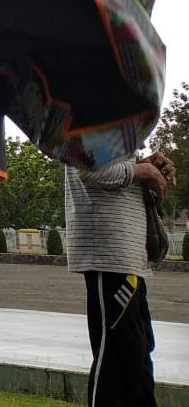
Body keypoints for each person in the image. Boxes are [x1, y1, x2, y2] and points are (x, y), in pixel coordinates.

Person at [66, 151, 176, 406]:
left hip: (128, 258)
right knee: (116, 361)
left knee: (137, 358)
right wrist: (144, 171)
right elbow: (89, 170)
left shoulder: (123, 125)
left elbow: (111, 169)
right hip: (108, 253)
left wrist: (146, 169)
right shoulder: (96, 112)